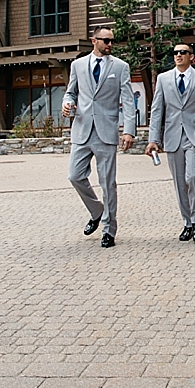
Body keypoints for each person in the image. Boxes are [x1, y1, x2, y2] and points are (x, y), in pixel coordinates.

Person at [61, 27, 136, 248]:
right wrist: (67, 103)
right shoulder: (78, 65)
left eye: (112, 41)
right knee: (75, 176)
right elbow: (71, 92)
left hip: (106, 131)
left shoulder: (120, 67)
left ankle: (108, 230)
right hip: (82, 129)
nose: (110, 45)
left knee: (107, 183)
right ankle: (97, 211)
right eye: (106, 41)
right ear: (94, 41)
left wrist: (129, 130)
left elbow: (128, 100)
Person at [146, 44, 195, 244]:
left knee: (193, 176)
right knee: (179, 183)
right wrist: (153, 140)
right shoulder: (163, 79)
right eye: (176, 52)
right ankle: (188, 223)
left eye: (182, 52)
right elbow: (157, 112)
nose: (178, 55)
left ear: (191, 57)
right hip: (172, 137)